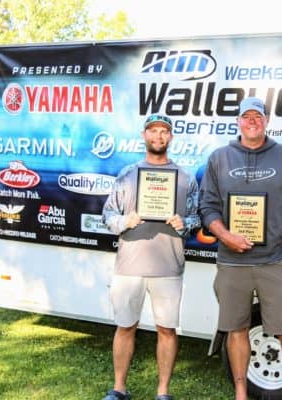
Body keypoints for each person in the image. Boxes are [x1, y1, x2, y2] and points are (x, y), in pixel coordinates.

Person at [199, 97, 282, 400]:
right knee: (236, 330)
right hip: (232, 263)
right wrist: (226, 236)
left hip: (274, 263)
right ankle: (241, 393)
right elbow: (207, 207)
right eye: (246, 116)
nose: (252, 121)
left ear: (267, 121)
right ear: (238, 121)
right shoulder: (219, 158)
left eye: (258, 116)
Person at [101, 114, 200, 400]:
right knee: (125, 327)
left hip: (168, 267)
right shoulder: (127, 174)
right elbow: (107, 214)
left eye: (164, 131)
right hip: (129, 267)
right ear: (144, 135)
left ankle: (163, 392)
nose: (158, 136)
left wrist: (185, 223)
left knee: (166, 330)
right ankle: (119, 389)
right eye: (153, 131)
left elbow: (197, 218)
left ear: (171, 137)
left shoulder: (185, 178)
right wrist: (125, 221)